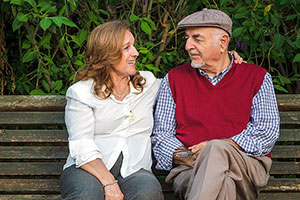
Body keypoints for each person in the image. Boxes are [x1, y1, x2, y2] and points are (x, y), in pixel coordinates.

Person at [151, 8, 280, 200]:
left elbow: (266, 132)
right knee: (224, 182)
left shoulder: (257, 77)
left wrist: (217, 148)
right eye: (187, 38)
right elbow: (162, 136)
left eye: (197, 39)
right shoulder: (175, 79)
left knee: (215, 149)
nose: (188, 46)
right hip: (189, 169)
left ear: (222, 43)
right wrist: (194, 157)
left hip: (245, 167)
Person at [59, 20, 164, 200]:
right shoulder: (81, 92)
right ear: (107, 54)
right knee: (86, 195)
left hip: (135, 170)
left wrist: (227, 62)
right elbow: (82, 145)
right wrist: (108, 182)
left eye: (134, 46)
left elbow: (183, 83)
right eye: (126, 47)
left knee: (148, 193)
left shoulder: (148, 84)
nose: (136, 53)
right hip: (87, 170)